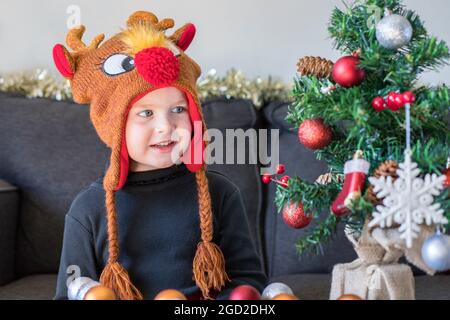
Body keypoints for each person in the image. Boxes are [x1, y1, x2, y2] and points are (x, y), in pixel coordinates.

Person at [52, 10, 267, 300]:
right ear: (114, 125)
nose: (166, 126)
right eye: (146, 113)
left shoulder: (221, 194)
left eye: (178, 110)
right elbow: (71, 292)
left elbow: (249, 281)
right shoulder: (87, 210)